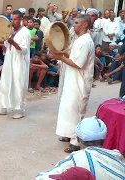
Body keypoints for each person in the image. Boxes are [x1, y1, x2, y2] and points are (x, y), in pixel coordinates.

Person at [53, 14, 95, 153]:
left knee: (76, 111)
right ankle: (68, 134)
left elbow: (78, 63)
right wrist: (62, 53)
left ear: (85, 25)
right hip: (72, 80)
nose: (74, 25)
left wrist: (60, 57)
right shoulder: (79, 40)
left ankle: (76, 142)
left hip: (80, 82)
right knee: (67, 108)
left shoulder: (85, 41)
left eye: (77, 23)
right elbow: (72, 55)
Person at [36, 116, 125, 180]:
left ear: (78, 139)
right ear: (104, 140)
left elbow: (41, 177)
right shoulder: (116, 155)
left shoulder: (77, 159)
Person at [0, 10, 31, 119]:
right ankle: (3, 107)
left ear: (21, 19)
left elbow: (24, 50)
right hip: (9, 59)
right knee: (4, 83)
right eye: (11, 19)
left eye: (15, 19)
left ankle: (20, 110)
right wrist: (2, 44)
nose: (13, 21)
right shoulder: (10, 30)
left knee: (18, 84)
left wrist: (11, 41)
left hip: (19, 61)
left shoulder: (25, 32)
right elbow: (7, 48)